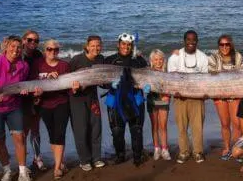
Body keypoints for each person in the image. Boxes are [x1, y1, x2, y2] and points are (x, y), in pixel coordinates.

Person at [0, 35, 38, 181]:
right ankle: (7, 170)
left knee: (19, 138)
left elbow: (23, 85)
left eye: (19, 47)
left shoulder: (24, 66)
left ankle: (22, 171)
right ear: (6, 47)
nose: (16, 50)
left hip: (14, 107)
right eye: (12, 46)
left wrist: (24, 91)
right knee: (0, 140)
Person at [104, 33, 148, 166]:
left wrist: (147, 86)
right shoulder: (109, 60)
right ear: (118, 45)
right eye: (123, 44)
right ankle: (120, 155)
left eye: (129, 45)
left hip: (135, 98)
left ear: (132, 46)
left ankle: (137, 156)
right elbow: (101, 81)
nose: (126, 47)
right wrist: (109, 85)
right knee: (117, 130)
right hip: (115, 99)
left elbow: (147, 77)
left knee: (136, 129)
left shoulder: (139, 60)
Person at [30, 39, 70, 179]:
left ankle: (57, 167)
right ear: (44, 50)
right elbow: (32, 84)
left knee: (60, 134)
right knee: (52, 134)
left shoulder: (64, 65)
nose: (52, 52)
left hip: (61, 103)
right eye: (49, 49)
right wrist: (36, 91)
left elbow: (69, 87)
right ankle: (60, 161)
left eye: (56, 49)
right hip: (44, 105)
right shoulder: (37, 65)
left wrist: (76, 88)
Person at [167, 30, 209, 163]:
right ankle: (184, 151)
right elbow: (171, 78)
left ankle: (198, 152)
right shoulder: (175, 57)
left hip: (197, 98)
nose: (191, 42)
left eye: (194, 40)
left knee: (197, 127)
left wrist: (205, 93)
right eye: (189, 40)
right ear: (184, 41)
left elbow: (205, 79)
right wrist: (175, 91)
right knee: (182, 127)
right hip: (180, 98)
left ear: (197, 41)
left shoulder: (203, 57)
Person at [69, 35, 105, 171]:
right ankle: (84, 160)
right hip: (77, 99)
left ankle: (96, 158)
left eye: (98, 45)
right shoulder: (76, 60)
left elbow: (103, 80)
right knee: (81, 130)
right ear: (87, 46)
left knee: (96, 127)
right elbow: (66, 79)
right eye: (93, 45)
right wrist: (73, 88)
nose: (96, 48)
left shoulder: (100, 59)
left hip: (93, 97)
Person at [208, 34, 243, 160]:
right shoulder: (213, 57)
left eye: (227, 44)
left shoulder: (238, 56)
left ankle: (236, 148)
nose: (224, 47)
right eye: (222, 44)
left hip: (235, 94)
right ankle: (227, 148)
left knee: (237, 124)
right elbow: (211, 77)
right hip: (220, 94)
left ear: (231, 44)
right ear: (218, 46)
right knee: (224, 123)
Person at [21, 30, 46, 171]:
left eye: (36, 41)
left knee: (35, 128)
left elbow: (41, 73)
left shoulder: (38, 55)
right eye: (30, 40)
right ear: (24, 40)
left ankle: (37, 158)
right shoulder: (18, 54)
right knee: (23, 130)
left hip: (35, 94)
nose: (33, 43)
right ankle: (22, 161)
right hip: (21, 96)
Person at [147, 49, 171, 160]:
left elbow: (171, 86)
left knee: (163, 126)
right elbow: (143, 84)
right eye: (156, 59)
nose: (158, 61)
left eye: (160, 59)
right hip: (151, 99)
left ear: (163, 60)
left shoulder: (167, 72)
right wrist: (145, 89)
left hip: (163, 99)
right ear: (151, 60)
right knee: (154, 126)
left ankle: (165, 149)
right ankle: (156, 148)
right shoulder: (148, 71)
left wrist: (167, 95)